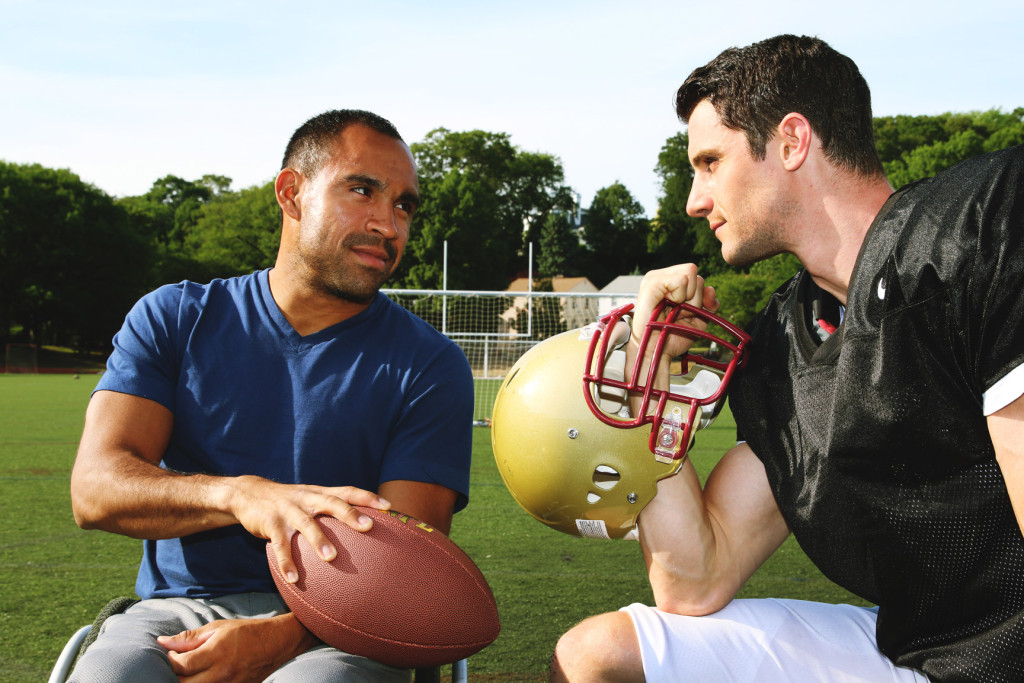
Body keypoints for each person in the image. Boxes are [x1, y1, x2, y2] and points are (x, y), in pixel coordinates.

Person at [550, 35, 1024, 682]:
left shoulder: (981, 226)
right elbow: (695, 577)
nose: (694, 199)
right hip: (923, 650)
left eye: (711, 161)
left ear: (793, 141)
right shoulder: (789, 336)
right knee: (594, 656)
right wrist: (650, 369)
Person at [68, 109, 475, 683]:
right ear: (291, 193)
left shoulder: (430, 364)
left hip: (344, 631)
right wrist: (243, 497)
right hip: (178, 612)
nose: (389, 224)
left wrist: (285, 637)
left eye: (405, 204)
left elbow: (404, 575)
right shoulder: (175, 317)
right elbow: (95, 490)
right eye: (362, 190)